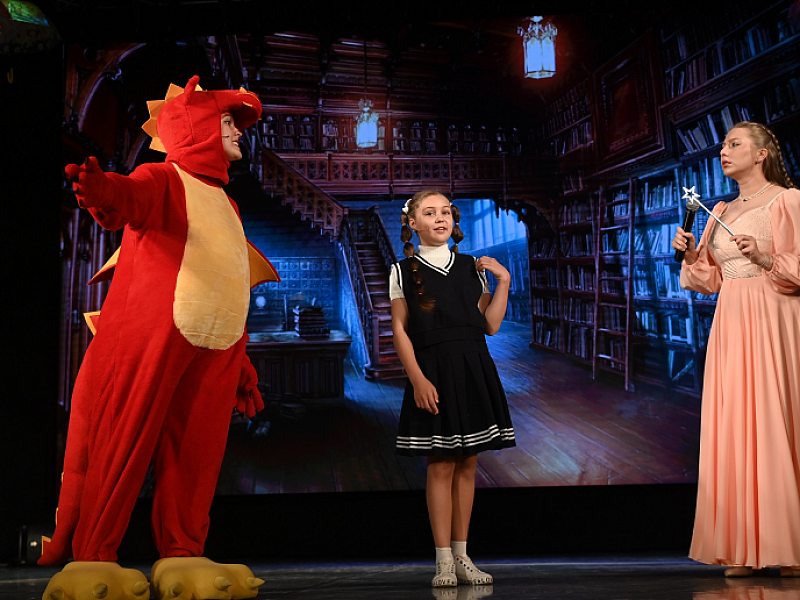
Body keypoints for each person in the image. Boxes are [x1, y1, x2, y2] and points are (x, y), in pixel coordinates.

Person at [39, 76, 279, 600]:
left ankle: (182, 555)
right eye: (227, 122)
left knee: (197, 457)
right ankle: (92, 558)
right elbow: (128, 196)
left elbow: (228, 280)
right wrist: (101, 190)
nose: (238, 131)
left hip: (215, 347)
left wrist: (241, 362)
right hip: (151, 337)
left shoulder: (229, 206)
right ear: (198, 128)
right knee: (121, 441)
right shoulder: (163, 178)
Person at [672, 121, 800, 577]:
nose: (723, 150)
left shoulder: (788, 200)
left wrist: (764, 257)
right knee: (737, 425)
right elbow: (709, 280)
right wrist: (692, 254)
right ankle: (744, 546)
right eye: (723, 145)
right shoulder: (720, 209)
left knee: (774, 420)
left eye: (734, 143)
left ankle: (789, 545)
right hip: (731, 320)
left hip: (774, 315)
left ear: (761, 153)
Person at [389, 190, 516, 588]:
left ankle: (463, 557)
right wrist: (417, 378)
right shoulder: (402, 271)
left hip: (474, 367)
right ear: (413, 224)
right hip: (433, 371)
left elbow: (490, 325)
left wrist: (504, 280)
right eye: (430, 213)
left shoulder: (471, 267)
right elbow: (400, 330)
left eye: (445, 211)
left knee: (468, 463)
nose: (440, 218)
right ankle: (443, 560)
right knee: (441, 463)